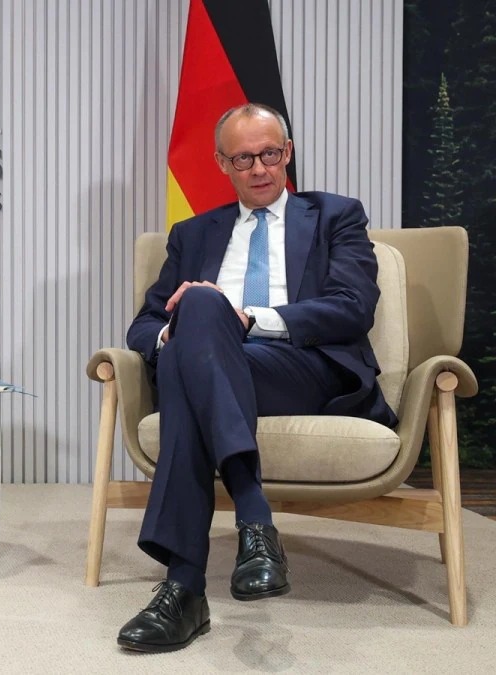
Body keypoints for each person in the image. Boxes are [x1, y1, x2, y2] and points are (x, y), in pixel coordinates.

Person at [116, 103, 397, 653]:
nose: (260, 168)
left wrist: (248, 319)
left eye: (270, 153)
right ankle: (252, 529)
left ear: (287, 152)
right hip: (218, 368)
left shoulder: (336, 215)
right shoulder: (193, 233)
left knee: (193, 343)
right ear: (222, 164)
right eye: (243, 158)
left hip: (306, 368)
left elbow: (352, 306)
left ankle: (185, 586)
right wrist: (186, 329)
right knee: (195, 318)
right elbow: (144, 326)